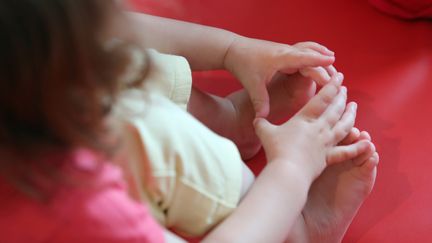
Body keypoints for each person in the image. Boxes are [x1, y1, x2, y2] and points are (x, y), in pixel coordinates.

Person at [0, 1, 379, 243]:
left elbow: (110, 33)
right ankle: (297, 233)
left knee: (113, 68)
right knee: (143, 122)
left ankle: (226, 123)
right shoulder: (77, 209)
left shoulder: (28, 69)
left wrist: (232, 50)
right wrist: (290, 170)